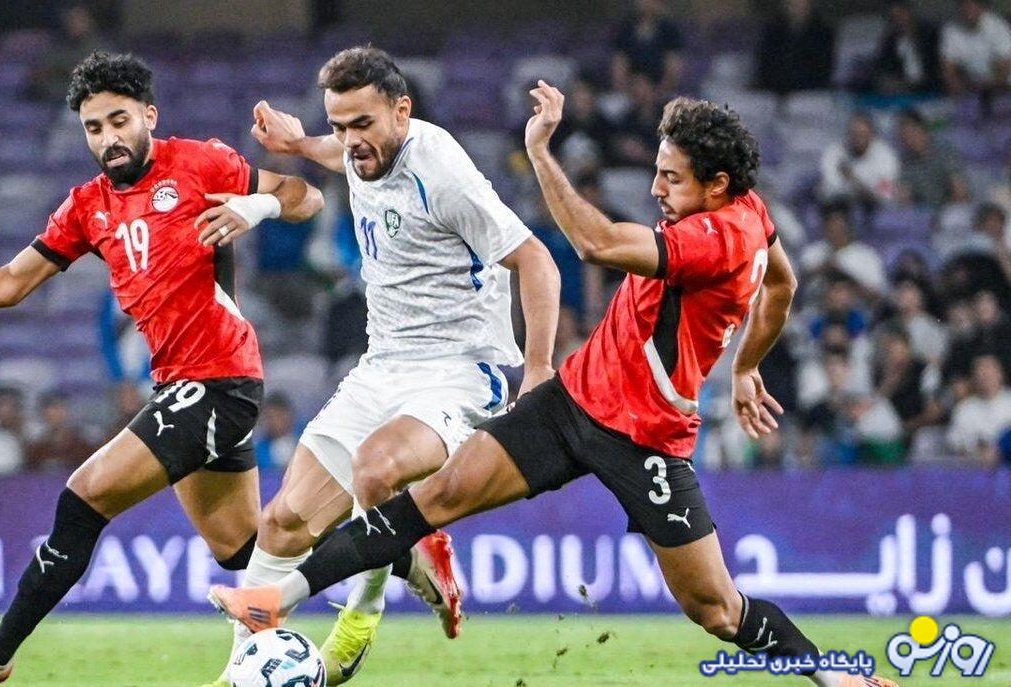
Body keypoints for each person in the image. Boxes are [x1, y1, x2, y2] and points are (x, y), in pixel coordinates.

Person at [210, 85, 905, 687]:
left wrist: (540, 152)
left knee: (716, 610)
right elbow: (781, 283)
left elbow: (596, 244)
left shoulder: (715, 239)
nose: (656, 190)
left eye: (671, 179)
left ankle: (831, 672)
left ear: (717, 185)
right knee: (435, 496)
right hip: (572, 401)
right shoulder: (751, 210)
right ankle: (273, 599)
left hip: (645, 438)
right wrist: (747, 365)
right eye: (657, 172)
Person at [0, 51, 325, 687]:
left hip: (220, 379)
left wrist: (259, 207)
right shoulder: (87, 206)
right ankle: (387, 545)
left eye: (119, 121)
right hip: (178, 384)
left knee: (83, 497)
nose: (108, 138)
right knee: (241, 548)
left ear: (149, 116)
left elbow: (307, 197)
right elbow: (9, 282)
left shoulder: (200, 163)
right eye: (93, 128)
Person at [211, 46, 560, 686]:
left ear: (402, 111)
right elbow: (339, 153)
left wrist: (537, 370)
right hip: (382, 366)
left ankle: (359, 620)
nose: (350, 141)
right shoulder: (359, 148)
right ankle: (240, 673)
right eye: (339, 124)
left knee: (375, 470)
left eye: (362, 124)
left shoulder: (441, 171)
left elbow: (536, 260)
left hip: (457, 372)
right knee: (282, 523)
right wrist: (299, 144)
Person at [818, 112, 899, 208]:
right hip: (839, 204)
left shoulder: (885, 155)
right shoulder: (834, 152)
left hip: (874, 207)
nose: (858, 139)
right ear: (848, 135)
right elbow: (833, 188)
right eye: (855, 134)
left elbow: (885, 195)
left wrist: (854, 180)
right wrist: (862, 187)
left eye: (863, 134)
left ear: (872, 135)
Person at [754, 0, 834, 95]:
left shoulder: (822, 33)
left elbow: (823, 66)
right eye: (792, 3)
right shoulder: (773, 32)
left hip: (812, 93)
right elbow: (766, 64)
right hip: (775, 92)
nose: (797, 6)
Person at [895, 109, 967, 208]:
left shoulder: (945, 151)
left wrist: (945, 211)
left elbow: (960, 190)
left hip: (956, 207)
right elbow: (905, 194)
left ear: (923, 129)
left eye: (912, 132)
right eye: (904, 135)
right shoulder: (906, 160)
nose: (909, 138)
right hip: (926, 211)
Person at [941, 0, 1011, 99]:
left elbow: (1005, 68)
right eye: (964, 5)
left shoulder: (999, 27)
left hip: (1004, 88)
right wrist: (957, 88)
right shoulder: (950, 30)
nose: (968, 10)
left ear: (983, 7)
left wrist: (987, 87)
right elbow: (948, 70)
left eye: (973, 5)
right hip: (971, 89)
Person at [611, 0, 684, 95]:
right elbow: (619, 69)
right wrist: (633, 90)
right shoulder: (625, 29)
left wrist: (655, 92)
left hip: (661, 92)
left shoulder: (670, 31)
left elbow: (673, 70)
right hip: (630, 92)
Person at [871, 0, 941, 95]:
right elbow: (882, 68)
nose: (899, 20)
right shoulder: (890, 41)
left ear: (910, 13)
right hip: (905, 92)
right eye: (894, 17)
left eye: (901, 14)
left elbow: (937, 69)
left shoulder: (930, 34)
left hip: (933, 89)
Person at [24, 391, 98, 472]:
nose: (57, 414)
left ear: (69, 412)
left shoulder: (83, 445)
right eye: (51, 410)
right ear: (43, 414)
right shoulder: (37, 448)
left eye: (60, 409)